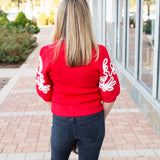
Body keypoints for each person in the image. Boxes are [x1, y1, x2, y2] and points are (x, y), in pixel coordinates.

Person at [36, 0, 120, 160]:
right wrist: (97, 119)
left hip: (61, 120)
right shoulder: (98, 52)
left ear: (60, 19)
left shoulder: (47, 53)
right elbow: (110, 95)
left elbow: (44, 92)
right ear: (86, 19)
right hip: (92, 119)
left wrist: (60, 113)